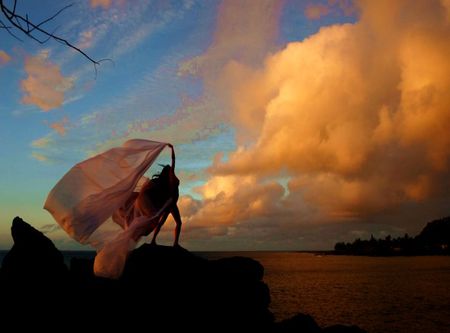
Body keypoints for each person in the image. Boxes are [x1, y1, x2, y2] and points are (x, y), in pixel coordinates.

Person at [130, 144, 182, 246]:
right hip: (171, 203)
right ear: (168, 172)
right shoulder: (171, 179)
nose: (171, 167)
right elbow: (173, 160)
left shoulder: (169, 180)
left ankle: (157, 241)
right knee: (176, 222)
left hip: (170, 203)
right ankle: (173, 243)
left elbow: (173, 162)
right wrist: (172, 149)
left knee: (163, 222)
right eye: (169, 168)